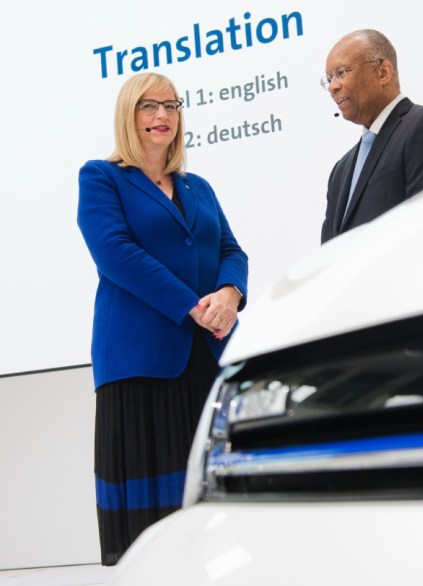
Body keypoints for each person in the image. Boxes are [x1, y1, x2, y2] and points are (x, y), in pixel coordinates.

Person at [77, 72, 248, 565]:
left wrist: (231, 294)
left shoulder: (199, 187)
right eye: (149, 107)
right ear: (128, 116)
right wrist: (194, 305)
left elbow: (230, 250)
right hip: (139, 360)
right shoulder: (102, 176)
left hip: (207, 355)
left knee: (211, 502)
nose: (162, 116)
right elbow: (114, 253)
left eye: (171, 106)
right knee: (150, 525)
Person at [320, 29, 423, 243]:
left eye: (342, 72)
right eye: (329, 78)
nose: (333, 87)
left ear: (383, 72)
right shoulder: (340, 171)